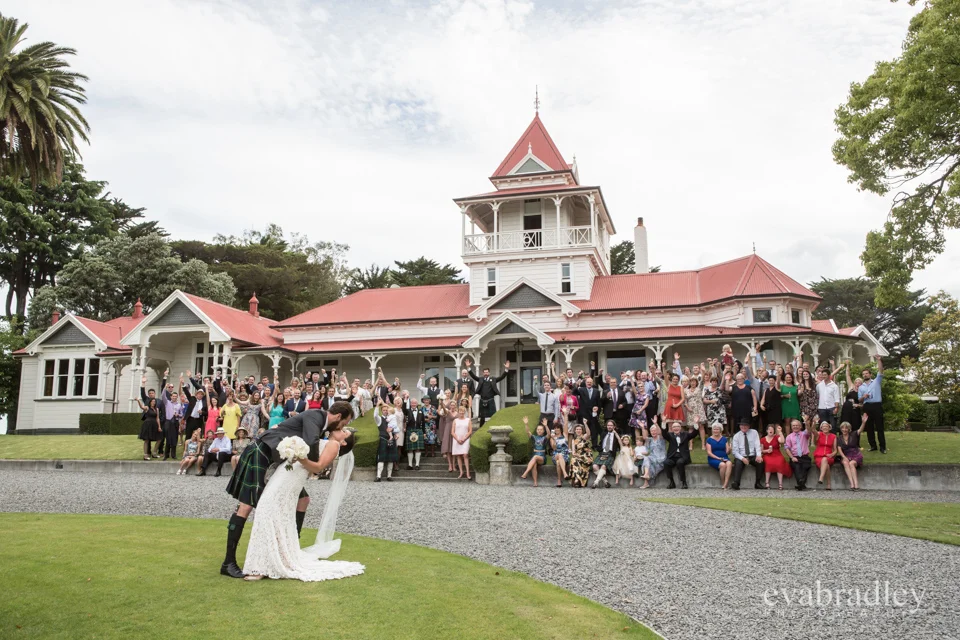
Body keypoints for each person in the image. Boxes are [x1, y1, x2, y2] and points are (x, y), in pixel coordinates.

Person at [220, 401, 355, 578]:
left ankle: (289, 552)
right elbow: (311, 444)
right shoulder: (316, 416)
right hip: (261, 452)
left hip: (279, 463)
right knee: (246, 506)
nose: (343, 426)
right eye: (344, 423)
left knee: (303, 500)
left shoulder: (323, 428)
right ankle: (228, 562)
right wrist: (313, 465)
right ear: (338, 417)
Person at [466, 358, 509, 429]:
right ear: (483, 373)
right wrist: (468, 367)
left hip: (491, 400)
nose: (486, 373)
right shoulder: (480, 379)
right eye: (484, 372)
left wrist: (506, 369)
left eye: (487, 372)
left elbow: (502, 377)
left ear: (489, 373)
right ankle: (481, 430)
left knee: (493, 416)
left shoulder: (493, 379)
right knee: (482, 417)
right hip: (482, 400)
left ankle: (494, 428)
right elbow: (473, 376)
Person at [859, 355, 886, 453]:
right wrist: (863, 397)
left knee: (879, 427)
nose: (865, 375)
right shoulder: (861, 387)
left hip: (877, 406)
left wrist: (879, 360)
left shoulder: (877, 381)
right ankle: (873, 446)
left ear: (870, 374)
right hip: (867, 406)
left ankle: (882, 447)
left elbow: (880, 370)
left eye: (866, 373)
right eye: (863, 374)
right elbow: (859, 399)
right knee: (869, 428)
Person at [730, 419, 764, 490]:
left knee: (760, 462)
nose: (743, 427)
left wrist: (759, 455)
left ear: (749, 426)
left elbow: (757, 445)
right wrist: (742, 458)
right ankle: (736, 483)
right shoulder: (736, 436)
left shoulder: (754, 432)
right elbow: (735, 452)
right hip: (741, 456)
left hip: (752, 455)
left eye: (745, 425)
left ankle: (758, 483)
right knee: (738, 463)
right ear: (739, 426)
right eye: (742, 425)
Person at [663, 420, 698, 489]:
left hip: (683, 456)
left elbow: (694, 434)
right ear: (672, 428)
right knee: (666, 463)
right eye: (674, 427)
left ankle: (684, 482)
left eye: (677, 426)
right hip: (672, 456)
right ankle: (671, 482)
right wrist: (664, 423)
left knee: (680, 462)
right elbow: (664, 433)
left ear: (680, 427)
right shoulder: (670, 435)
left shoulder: (685, 434)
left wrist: (696, 423)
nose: (676, 428)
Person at [784, 418, 814, 490]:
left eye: (797, 425)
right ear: (791, 427)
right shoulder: (789, 437)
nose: (795, 427)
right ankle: (801, 484)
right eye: (793, 425)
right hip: (795, 456)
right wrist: (792, 457)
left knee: (805, 467)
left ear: (800, 426)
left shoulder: (804, 434)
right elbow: (787, 448)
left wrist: (806, 422)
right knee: (797, 467)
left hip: (804, 456)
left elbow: (809, 431)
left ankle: (800, 484)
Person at [373, 398, 398, 482]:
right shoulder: (379, 419)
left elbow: (395, 428)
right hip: (383, 439)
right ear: (381, 411)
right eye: (384, 410)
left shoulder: (392, 418)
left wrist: (395, 433)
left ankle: (389, 476)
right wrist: (377, 405)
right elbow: (375, 416)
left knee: (391, 459)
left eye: (387, 410)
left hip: (391, 440)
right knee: (381, 458)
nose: (385, 411)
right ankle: (378, 476)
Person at [837, 420, 866, 491]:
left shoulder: (853, 434)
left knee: (851, 464)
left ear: (849, 429)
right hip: (846, 455)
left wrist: (863, 422)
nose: (844, 430)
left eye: (846, 428)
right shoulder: (839, 438)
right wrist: (844, 457)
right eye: (843, 428)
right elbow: (839, 449)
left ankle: (856, 485)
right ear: (841, 429)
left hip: (856, 454)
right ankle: (851, 484)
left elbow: (860, 430)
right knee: (845, 463)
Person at [520, 416, 549, 487]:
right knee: (534, 464)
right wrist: (526, 424)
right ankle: (535, 482)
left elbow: (549, 434)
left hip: (542, 457)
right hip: (535, 457)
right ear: (536, 430)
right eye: (538, 429)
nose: (539, 431)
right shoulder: (534, 438)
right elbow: (528, 432)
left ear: (543, 431)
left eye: (541, 429)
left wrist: (546, 425)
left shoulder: (544, 438)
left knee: (535, 457)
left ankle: (525, 473)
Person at [760, 424, 792, 490]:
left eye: (772, 429)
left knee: (779, 462)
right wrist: (766, 451)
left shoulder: (776, 437)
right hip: (767, 455)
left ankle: (780, 484)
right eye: (769, 429)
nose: (771, 430)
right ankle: (767, 482)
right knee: (768, 463)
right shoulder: (763, 439)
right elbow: (761, 451)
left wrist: (780, 432)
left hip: (777, 454)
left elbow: (782, 441)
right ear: (766, 431)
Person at [592, 420, 621, 488]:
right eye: (608, 425)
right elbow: (596, 424)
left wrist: (616, 434)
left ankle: (595, 483)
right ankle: (606, 482)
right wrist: (594, 414)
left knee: (603, 466)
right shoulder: (603, 433)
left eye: (611, 425)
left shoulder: (617, 435)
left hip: (610, 454)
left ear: (614, 426)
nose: (609, 427)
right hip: (602, 453)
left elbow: (620, 443)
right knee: (594, 466)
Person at [705, 423, 732, 490]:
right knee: (722, 465)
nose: (716, 431)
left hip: (724, 457)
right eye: (714, 429)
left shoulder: (724, 439)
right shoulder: (709, 440)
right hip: (714, 458)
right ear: (712, 430)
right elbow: (709, 453)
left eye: (717, 429)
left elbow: (727, 452)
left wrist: (730, 449)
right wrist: (719, 458)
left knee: (729, 463)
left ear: (720, 430)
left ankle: (725, 484)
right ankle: (723, 482)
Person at [639, 423, 666, 489]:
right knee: (646, 459)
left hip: (660, 459)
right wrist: (642, 428)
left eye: (654, 430)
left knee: (647, 461)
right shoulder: (650, 440)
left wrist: (656, 424)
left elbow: (660, 433)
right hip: (652, 458)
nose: (653, 432)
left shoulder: (661, 438)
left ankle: (646, 482)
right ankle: (646, 475)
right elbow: (645, 437)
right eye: (652, 431)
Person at [683, 377, 707, 450]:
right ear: (689, 383)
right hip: (690, 410)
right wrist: (687, 407)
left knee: (701, 427)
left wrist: (702, 369)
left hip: (699, 410)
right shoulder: (686, 390)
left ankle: (703, 444)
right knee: (691, 428)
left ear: (696, 382)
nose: (693, 383)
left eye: (694, 381)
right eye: (691, 381)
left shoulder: (699, 388)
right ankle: (690, 444)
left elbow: (702, 380)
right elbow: (684, 400)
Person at [813, 421, 838, 490]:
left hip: (829, 456)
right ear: (821, 428)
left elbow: (835, 449)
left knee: (825, 459)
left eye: (826, 426)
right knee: (826, 465)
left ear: (829, 427)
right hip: (819, 456)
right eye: (823, 426)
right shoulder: (819, 434)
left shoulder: (833, 436)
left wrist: (832, 454)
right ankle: (828, 484)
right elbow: (813, 430)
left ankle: (821, 478)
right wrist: (814, 423)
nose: (825, 428)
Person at [568, 420, 593, 488]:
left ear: (582, 430)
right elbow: (573, 452)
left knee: (575, 461)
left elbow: (588, 433)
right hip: (578, 456)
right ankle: (577, 480)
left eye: (580, 429)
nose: (578, 430)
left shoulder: (584, 437)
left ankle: (577, 480)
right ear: (575, 431)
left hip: (586, 456)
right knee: (573, 460)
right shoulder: (573, 440)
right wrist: (576, 455)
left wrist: (585, 424)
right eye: (577, 429)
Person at [451, 406, 473, 480]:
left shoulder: (468, 420)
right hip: (457, 439)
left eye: (463, 411)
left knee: (465, 454)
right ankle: (461, 472)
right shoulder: (455, 420)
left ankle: (468, 472)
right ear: (458, 411)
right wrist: (457, 439)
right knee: (458, 455)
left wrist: (464, 438)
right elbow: (452, 432)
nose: (461, 412)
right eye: (460, 411)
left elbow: (470, 431)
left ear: (464, 412)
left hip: (465, 439)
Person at [816, 366, 841, 431]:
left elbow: (837, 398)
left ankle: (833, 440)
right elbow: (817, 396)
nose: (823, 376)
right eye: (822, 375)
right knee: (822, 426)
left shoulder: (834, 386)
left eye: (825, 375)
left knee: (833, 426)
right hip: (822, 408)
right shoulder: (819, 385)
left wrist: (836, 408)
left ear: (829, 375)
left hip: (831, 408)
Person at [404, 397, 425, 470]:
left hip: (418, 430)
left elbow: (423, 423)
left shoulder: (420, 412)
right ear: (410, 404)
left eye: (415, 403)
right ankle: (410, 465)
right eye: (412, 403)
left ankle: (417, 465)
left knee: (418, 448)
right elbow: (404, 409)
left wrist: (424, 432)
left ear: (417, 404)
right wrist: (405, 400)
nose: (413, 404)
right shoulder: (408, 411)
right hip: (410, 430)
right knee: (410, 449)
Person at [438, 399, 457, 473]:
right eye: (451, 405)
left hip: (455, 430)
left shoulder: (458, 413)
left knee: (454, 448)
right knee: (449, 449)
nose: (452, 406)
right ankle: (450, 465)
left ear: (456, 406)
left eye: (454, 405)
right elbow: (443, 409)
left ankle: (454, 465)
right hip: (448, 429)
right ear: (450, 406)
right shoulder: (447, 412)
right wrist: (441, 403)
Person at [549, 423, 570, 488]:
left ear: (560, 429)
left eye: (558, 428)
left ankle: (559, 481)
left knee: (558, 462)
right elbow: (554, 448)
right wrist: (554, 439)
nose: (556, 429)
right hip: (555, 455)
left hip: (565, 455)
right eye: (555, 428)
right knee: (559, 455)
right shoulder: (552, 438)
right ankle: (565, 473)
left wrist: (566, 414)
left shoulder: (565, 435)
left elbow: (566, 425)